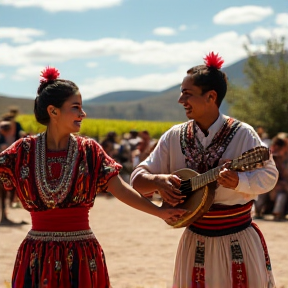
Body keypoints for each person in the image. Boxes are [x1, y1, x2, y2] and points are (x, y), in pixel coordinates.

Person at [0, 66, 184, 288]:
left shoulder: (89, 151)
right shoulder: (23, 151)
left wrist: (159, 212)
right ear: (53, 111)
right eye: (75, 107)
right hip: (37, 256)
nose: (83, 113)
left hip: (81, 254)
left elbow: (121, 189)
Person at [130, 52, 279, 288]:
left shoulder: (243, 133)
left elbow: (269, 176)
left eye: (187, 93)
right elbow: (137, 179)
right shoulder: (174, 136)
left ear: (211, 96)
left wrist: (238, 181)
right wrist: (157, 180)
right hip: (195, 239)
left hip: (237, 238)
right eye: (181, 92)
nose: (180, 100)